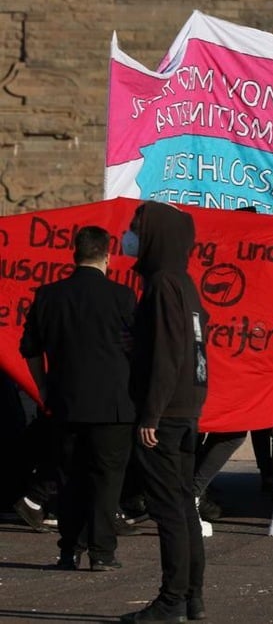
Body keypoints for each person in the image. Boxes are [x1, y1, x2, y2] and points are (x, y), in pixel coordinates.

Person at [18, 226, 137, 570]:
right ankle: (102, 552)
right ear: (108, 256)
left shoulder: (49, 296)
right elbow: (138, 349)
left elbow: (30, 349)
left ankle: (69, 549)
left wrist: (43, 387)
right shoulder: (123, 297)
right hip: (114, 406)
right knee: (107, 479)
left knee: (67, 478)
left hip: (64, 401)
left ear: (75, 253)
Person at [121, 202, 209, 623]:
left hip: (166, 413)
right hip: (186, 409)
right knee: (183, 505)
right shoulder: (185, 284)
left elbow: (167, 352)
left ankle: (172, 599)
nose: (130, 236)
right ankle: (192, 595)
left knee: (169, 510)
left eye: (136, 228)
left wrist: (150, 414)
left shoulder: (161, 284)